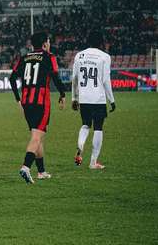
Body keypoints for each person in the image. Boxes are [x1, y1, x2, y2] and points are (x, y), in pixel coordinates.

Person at [9, 31, 67, 183]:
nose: (49, 43)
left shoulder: (24, 58)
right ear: (44, 43)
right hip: (41, 102)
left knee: (37, 136)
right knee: (37, 136)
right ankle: (26, 167)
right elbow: (55, 76)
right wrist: (63, 94)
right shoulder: (49, 57)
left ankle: (41, 171)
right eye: (48, 41)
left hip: (26, 102)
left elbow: (12, 78)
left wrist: (17, 99)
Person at [71, 31, 116, 170]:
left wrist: (74, 98)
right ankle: (93, 162)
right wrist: (112, 100)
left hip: (84, 97)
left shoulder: (79, 55)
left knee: (85, 125)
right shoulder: (104, 57)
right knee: (98, 127)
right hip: (98, 98)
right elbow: (105, 80)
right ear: (101, 42)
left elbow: (75, 78)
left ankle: (81, 145)